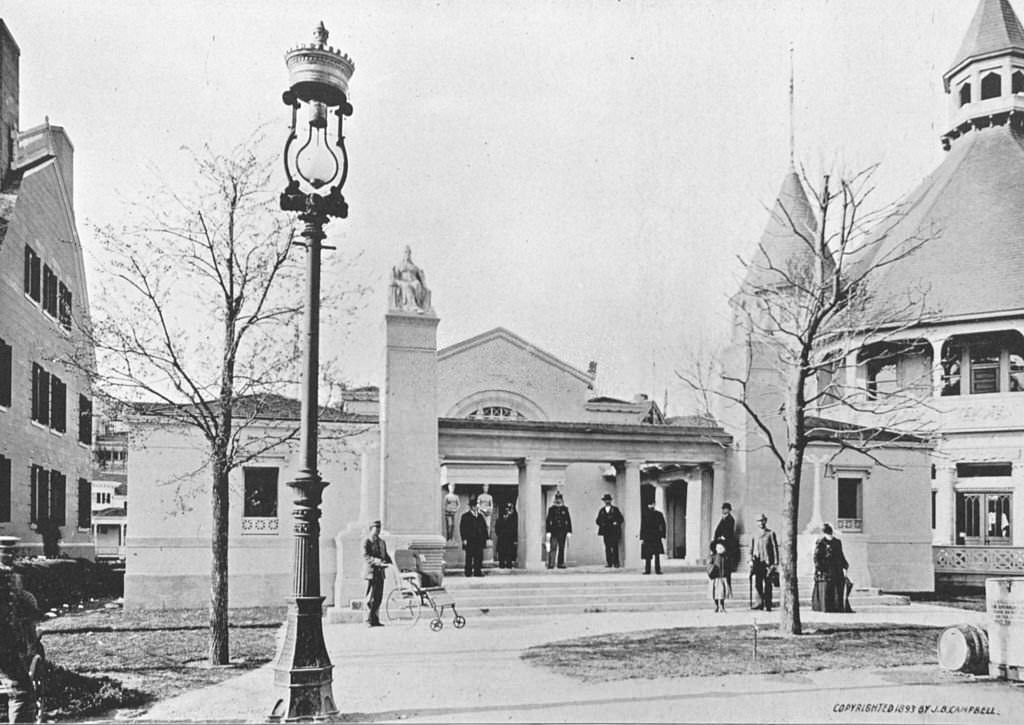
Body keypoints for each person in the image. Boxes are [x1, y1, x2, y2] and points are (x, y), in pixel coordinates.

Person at [0, 537, 38, 722]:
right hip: (5, 643)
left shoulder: (13, 576)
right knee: (21, 690)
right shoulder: (8, 576)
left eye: (11, 552)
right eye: (4, 552)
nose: (9, 556)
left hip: (8, 642)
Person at [811, 523, 852, 613]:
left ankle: (834, 607)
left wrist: (845, 564)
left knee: (835, 587)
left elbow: (840, 555)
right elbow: (817, 557)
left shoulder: (836, 542)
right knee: (828, 588)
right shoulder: (821, 542)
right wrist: (819, 568)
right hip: (826, 569)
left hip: (835, 568)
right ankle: (827, 607)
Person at [362, 521, 391, 627]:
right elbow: (366, 556)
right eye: (376, 528)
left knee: (378, 597)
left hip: (380, 573)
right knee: (369, 598)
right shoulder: (367, 541)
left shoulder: (382, 542)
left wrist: (390, 561)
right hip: (371, 573)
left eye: (379, 528)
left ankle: (375, 619)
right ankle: (367, 619)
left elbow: (385, 554)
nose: (378, 530)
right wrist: (377, 561)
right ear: (371, 529)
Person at [748, 513, 779, 611]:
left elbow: (775, 548)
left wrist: (776, 562)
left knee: (768, 584)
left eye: (762, 520)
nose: (760, 523)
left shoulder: (770, 533)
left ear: (766, 521)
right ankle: (759, 603)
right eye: (758, 521)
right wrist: (750, 560)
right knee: (758, 584)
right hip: (757, 563)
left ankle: (768, 604)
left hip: (768, 563)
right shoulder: (754, 534)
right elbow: (751, 548)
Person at [390, 245, 432, 313]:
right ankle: (412, 306)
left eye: (409, 252)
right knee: (407, 286)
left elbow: (421, 277)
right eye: (406, 252)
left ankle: (418, 303)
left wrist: (424, 284)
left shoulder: (414, 266)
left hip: (413, 281)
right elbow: (394, 278)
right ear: (403, 254)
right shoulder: (399, 265)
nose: (407, 254)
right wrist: (398, 282)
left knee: (417, 284)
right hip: (403, 282)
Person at [711, 502, 739, 587]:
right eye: (723, 509)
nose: (724, 510)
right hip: (719, 543)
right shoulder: (723, 519)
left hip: (726, 544)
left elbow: (728, 533)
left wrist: (722, 537)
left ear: (729, 510)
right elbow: (717, 531)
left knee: (725, 568)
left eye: (726, 509)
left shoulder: (730, 519)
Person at [460, 497, 489, 577]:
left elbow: (484, 527)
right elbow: (462, 528)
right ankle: (468, 572)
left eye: (477, 506)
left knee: (479, 556)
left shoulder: (480, 516)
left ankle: (477, 571)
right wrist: (464, 539)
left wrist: (485, 538)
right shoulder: (465, 516)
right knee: (469, 556)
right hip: (470, 539)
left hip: (479, 540)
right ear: (471, 507)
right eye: (475, 506)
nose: (476, 507)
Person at [595, 493, 624, 568]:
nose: (607, 501)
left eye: (608, 500)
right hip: (606, 532)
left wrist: (616, 522)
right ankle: (609, 563)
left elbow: (621, 519)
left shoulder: (615, 509)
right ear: (604, 501)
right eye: (606, 500)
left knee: (615, 547)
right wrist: (602, 524)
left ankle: (616, 563)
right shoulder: (602, 511)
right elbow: (597, 520)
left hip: (614, 531)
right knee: (607, 547)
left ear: (610, 501)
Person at [545, 492, 573, 569]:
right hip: (554, 531)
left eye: (559, 499)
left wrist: (569, 531)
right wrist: (548, 531)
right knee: (553, 547)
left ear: (561, 499)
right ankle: (551, 563)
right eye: (557, 499)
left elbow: (568, 520)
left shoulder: (565, 509)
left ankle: (560, 563)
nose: (558, 500)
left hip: (562, 531)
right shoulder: (551, 509)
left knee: (561, 547)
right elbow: (548, 521)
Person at [639, 500, 666, 575]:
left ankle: (658, 569)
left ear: (654, 505)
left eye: (652, 504)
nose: (651, 506)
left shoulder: (659, 514)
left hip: (656, 536)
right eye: (649, 504)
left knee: (657, 554)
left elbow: (663, 524)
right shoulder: (645, 514)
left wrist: (662, 534)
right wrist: (642, 537)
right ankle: (647, 570)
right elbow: (643, 526)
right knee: (647, 554)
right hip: (648, 537)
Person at [707, 537, 731, 613]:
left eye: (722, 547)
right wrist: (711, 570)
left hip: (723, 577)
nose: (720, 549)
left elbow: (728, 567)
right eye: (718, 547)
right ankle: (717, 606)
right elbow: (709, 565)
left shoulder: (725, 557)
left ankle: (722, 606)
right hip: (715, 577)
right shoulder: (713, 557)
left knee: (722, 593)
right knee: (715, 593)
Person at [494, 501, 519, 569]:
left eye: (510, 508)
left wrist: (515, 539)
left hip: (510, 538)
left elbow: (515, 529)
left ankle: (509, 564)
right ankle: (501, 564)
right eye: (507, 508)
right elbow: (497, 528)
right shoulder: (500, 519)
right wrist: (500, 534)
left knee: (509, 552)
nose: (508, 510)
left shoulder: (513, 519)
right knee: (501, 552)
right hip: (502, 537)